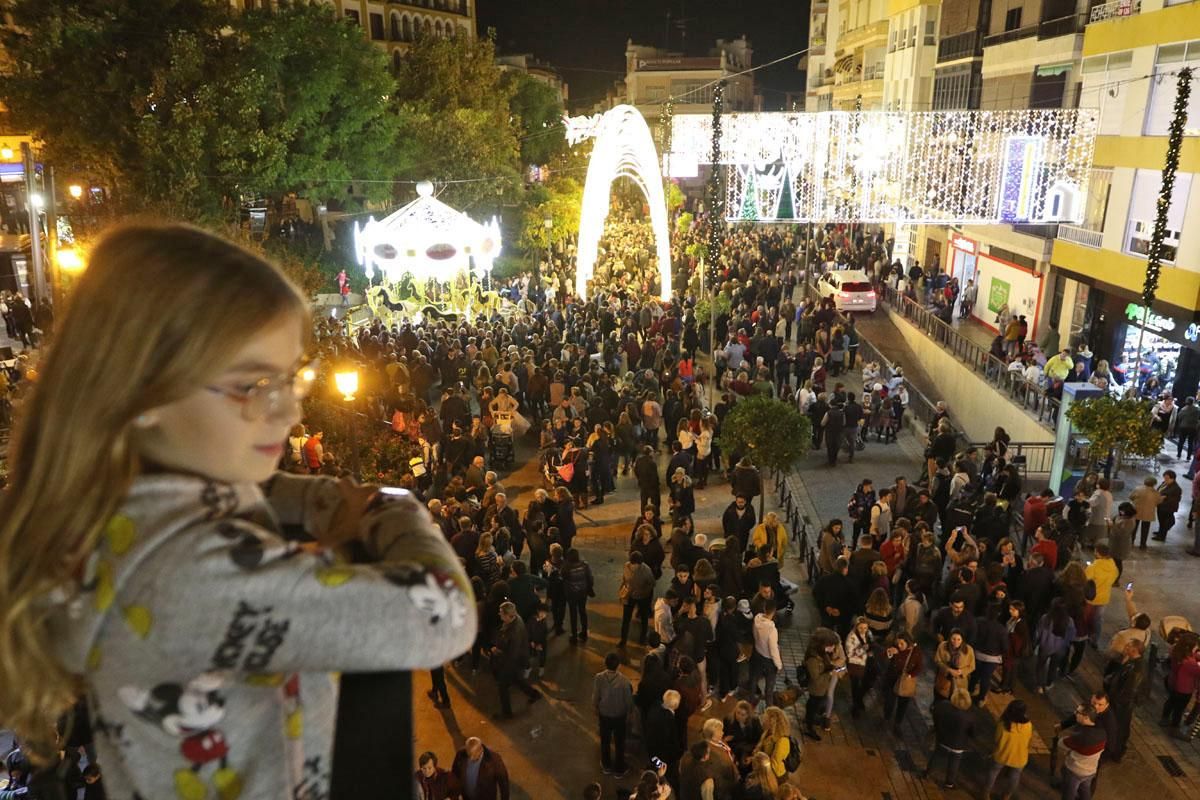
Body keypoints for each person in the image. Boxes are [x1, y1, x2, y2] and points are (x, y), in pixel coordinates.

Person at [0, 225, 478, 796]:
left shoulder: (119, 508)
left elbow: (261, 493)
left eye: (291, 378)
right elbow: (443, 614)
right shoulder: (193, 574)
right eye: (253, 384)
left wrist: (324, 512)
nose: (289, 412)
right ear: (141, 390)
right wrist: (387, 508)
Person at [492, 601, 542, 718]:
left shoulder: (513, 632)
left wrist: (497, 652)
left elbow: (512, 654)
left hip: (512, 662)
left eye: (501, 613)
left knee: (503, 686)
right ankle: (534, 694)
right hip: (518, 659)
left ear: (508, 615)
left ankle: (507, 713)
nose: (499, 615)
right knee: (517, 680)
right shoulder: (516, 619)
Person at [924, 689, 974, 791]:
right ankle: (949, 783)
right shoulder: (969, 717)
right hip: (958, 745)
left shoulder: (943, 706)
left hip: (943, 739)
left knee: (936, 756)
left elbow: (936, 716)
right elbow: (972, 732)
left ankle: (927, 773)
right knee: (954, 763)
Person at [594, 652, 634, 776]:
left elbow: (595, 697)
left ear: (605, 664)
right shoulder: (624, 681)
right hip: (619, 716)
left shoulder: (599, 678)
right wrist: (629, 713)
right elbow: (629, 701)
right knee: (619, 742)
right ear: (619, 666)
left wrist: (596, 708)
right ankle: (619, 768)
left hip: (604, 714)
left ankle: (606, 765)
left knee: (605, 740)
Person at [1059, 706, 1105, 800]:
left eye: (1078, 712)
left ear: (1086, 717)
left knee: (1069, 794)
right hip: (1090, 770)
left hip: (1075, 771)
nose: (1075, 713)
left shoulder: (1081, 736)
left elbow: (1061, 743)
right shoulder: (1102, 733)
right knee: (1085, 791)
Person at [882, 630, 922, 735]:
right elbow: (883, 657)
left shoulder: (915, 651)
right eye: (898, 643)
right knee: (889, 702)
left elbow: (919, 666)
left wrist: (910, 675)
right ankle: (886, 719)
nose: (899, 645)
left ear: (908, 642)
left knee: (903, 704)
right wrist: (890, 653)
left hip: (905, 681)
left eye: (902, 643)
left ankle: (897, 724)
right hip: (892, 678)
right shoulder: (894, 648)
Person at [750, 599, 783, 707]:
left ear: (764, 608)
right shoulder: (772, 630)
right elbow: (773, 650)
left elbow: (754, 635)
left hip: (757, 653)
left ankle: (751, 701)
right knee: (769, 686)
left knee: (754, 679)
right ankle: (769, 707)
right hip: (768, 660)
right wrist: (779, 665)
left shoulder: (757, 619)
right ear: (774, 612)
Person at [619, 551, 656, 647]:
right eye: (631, 564)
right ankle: (623, 640)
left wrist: (643, 593)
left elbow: (651, 584)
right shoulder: (626, 566)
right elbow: (624, 580)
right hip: (629, 596)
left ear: (639, 564)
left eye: (635, 565)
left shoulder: (646, 571)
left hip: (642, 598)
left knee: (644, 618)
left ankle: (642, 638)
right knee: (626, 619)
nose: (632, 566)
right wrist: (622, 591)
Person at [563, 547, 595, 643]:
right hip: (583, 592)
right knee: (582, 611)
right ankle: (584, 632)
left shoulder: (566, 567)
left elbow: (563, 578)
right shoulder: (584, 565)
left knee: (573, 613)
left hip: (571, 593)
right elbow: (590, 578)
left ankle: (573, 635)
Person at [934, 629, 975, 701]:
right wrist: (949, 670)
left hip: (960, 682)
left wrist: (961, 671)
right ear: (950, 638)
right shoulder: (943, 646)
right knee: (940, 698)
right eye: (953, 639)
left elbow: (972, 666)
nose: (956, 642)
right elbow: (937, 660)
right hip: (944, 679)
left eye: (959, 639)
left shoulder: (968, 650)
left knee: (955, 701)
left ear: (962, 640)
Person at [1130, 477, 1161, 549]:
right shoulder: (1156, 493)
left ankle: (1131, 541)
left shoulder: (1138, 489)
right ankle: (1143, 544)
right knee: (1145, 529)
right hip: (1148, 513)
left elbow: (1131, 497)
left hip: (1136, 511)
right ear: (1154, 484)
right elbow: (1158, 502)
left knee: (1134, 527)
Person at [1154, 470, 1182, 541]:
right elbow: (1159, 490)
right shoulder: (1165, 483)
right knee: (1161, 521)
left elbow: (1174, 500)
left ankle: (1162, 536)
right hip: (1161, 506)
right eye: (1164, 478)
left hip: (1167, 508)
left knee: (1165, 522)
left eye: (1167, 478)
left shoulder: (1176, 489)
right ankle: (1160, 532)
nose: (1165, 480)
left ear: (1172, 479)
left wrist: (1164, 498)